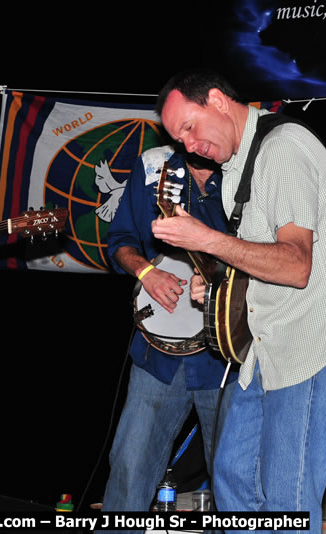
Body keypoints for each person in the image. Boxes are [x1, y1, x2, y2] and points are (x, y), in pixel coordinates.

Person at [151, 69, 326, 532]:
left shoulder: (283, 148)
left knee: (286, 499)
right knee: (233, 479)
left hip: (313, 342)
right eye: (179, 139)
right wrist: (215, 286)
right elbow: (261, 261)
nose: (189, 145)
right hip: (270, 348)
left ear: (216, 99)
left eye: (190, 127)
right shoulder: (239, 167)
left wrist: (209, 240)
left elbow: (295, 265)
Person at [99, 145, 235, 526]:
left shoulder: (247, 170)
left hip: (226, 355)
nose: (192, 140)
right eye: (182, 130)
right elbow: (120, 240)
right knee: (129, 466)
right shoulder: (152, 167)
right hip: (156, 354)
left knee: (232, 478)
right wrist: (147, 273)